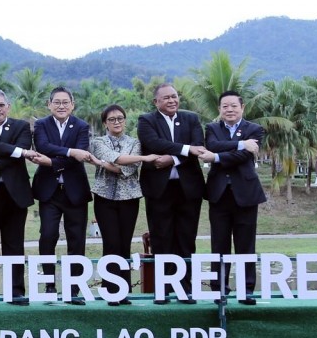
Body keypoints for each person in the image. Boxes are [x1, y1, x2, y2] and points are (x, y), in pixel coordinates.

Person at [0, 88, 49, 306]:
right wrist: (18, 153)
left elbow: (20, 148)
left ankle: (16, 292)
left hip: (15, 194)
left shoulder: (22, 126)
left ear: (8, 107)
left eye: (1, 105)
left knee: (14, 244)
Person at [136, 83, 207, 304]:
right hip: (159, 190)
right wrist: (185, 150)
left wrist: (173, 158)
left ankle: (185, 289)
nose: (172, 101)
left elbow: (198, 146)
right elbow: (153, 143)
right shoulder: (146, 120)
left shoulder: (191, 119)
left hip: (188, 190)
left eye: (174, 96)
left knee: (186, 239)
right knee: (161, 239)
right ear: (156, 101)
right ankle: (162, 290)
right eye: (166, 98)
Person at [196, 90, 266, 305]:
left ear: (242, 107)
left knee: (246, 245)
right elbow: (213, 145)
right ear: (219, 109)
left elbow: (242, 156)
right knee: (219, 244)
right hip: (219, 194)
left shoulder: (255, 129)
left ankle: (247, 291)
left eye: (234, 106)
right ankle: (219, 290)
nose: (229, 109)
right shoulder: (212, 128)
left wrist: (216, 157)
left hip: (246, 194)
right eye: (225, 106)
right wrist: (240, 143)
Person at [87, 104, 157, 306]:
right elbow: (114, 159)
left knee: (124, 243)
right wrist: (142, 158)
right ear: (105, 123)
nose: (116, 122)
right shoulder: (98, 141)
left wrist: (103, 163)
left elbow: (127, 167)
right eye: (112, 119)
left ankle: (123, 291)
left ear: (125, 120)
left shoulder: (135, 142)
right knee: (110, 243)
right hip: (104, 197)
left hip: (129, 198)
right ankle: (111, 292)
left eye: (120, 118)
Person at [31, 87, 93, 304]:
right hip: (49, 192)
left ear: (72, 104)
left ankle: (74, 288)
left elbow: (81, 153)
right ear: (49, 104)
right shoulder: (41, 125)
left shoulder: (82, 126)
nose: (61, 106)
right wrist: (69, 151)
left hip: (75, 191)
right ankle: (49, 284)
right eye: (56, 102)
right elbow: (43, 146)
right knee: (48, 236)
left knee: (76, 240)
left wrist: (51, 162)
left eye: (65, 102)